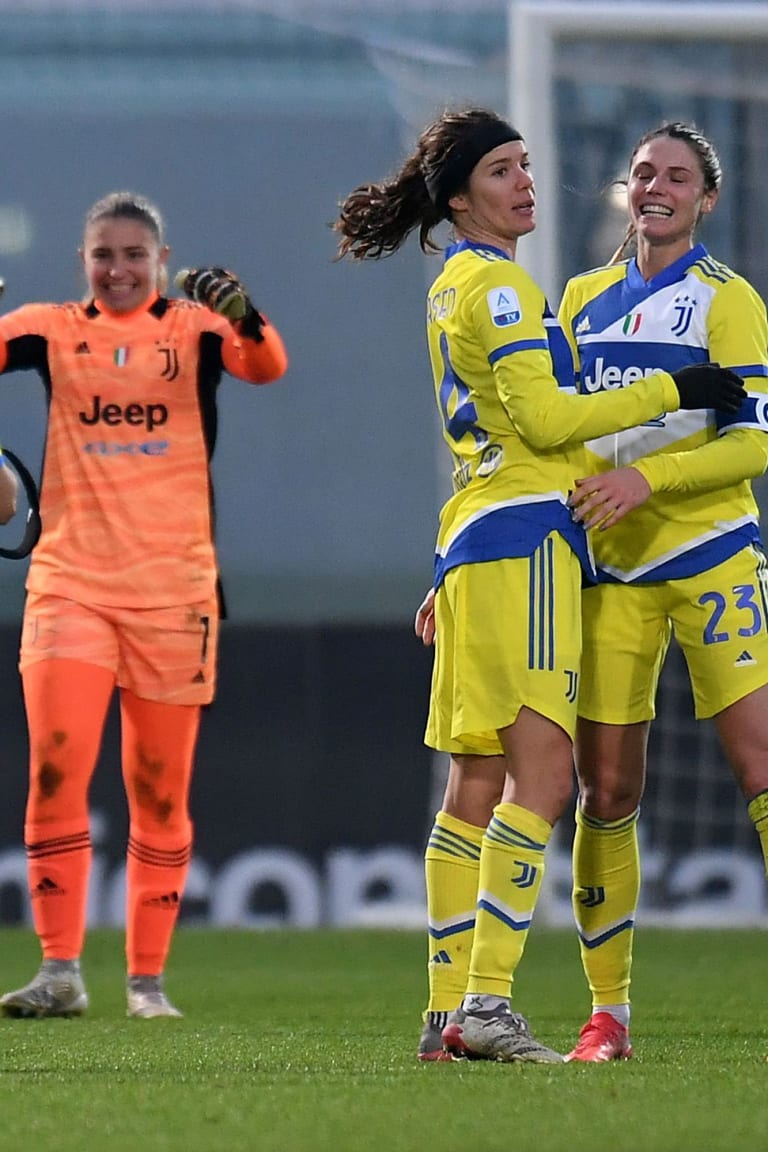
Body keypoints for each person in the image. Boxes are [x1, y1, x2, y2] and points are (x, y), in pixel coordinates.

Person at [334, 107, 744, 1063]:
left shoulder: (452, 283)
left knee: (474, 780)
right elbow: (551, 424)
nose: (524, 183)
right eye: (501, 171)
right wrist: (675, 390)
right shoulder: (507, 288)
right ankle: (486, 1004)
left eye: (525, 165)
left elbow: (500, 433)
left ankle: (444, 1014)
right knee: (547, 778)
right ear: (458, 197)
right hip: (525, 543)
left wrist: (451, 570)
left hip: (474, 538)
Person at [0, 191, 288, 1019]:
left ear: (161, 260)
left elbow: (266, 365)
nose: (118, 269)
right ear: (82, 261)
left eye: (133, 255)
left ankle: (146, 983)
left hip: (173, 593)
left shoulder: (196, 331)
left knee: (158, 791)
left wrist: (245, 311)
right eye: (103, 255)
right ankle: (59, 972)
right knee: (55, 769)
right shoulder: (52, 329)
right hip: (70, 583)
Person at [559, 121, 768, 1061]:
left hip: (713, 551)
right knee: (605, 789)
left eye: (677, 176)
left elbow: (755, 442)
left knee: (761, 767)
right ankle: (608, 1016)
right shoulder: (581, 300)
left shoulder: (729, 301)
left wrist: (651, 478)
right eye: (644, 172)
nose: (657, 187)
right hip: (612, 570)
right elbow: (559, 431)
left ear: (705, 199)